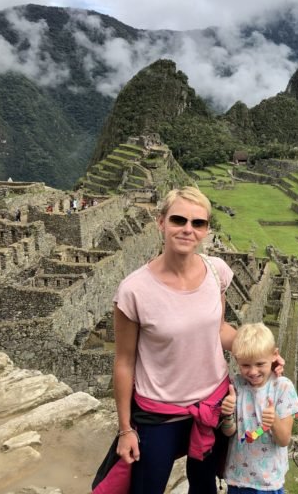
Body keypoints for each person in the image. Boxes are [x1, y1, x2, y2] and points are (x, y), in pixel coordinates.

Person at [92, 186, 240, 493]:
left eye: (197, 223)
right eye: (178, 220)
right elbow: (124, 361)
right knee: (147, 487)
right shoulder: (134, 291)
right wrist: (125, 429)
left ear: (206, 230)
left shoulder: (217, 272)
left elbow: (219, 330)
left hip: (212, 403)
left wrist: (262, 353)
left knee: (205, 487)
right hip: (159, 412)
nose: (188, 229)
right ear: (161, 222)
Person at [220, 323, 298, 494]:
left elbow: (284, 440)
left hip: (267, 481)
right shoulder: (236, 385)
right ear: (237, 361)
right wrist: (227, 415)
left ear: (274, 356)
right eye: (245, 365)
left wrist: (273, 421)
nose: (253, 371)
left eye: (259, 364)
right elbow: (229, 432)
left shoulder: (282, 388)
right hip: (237, 478)